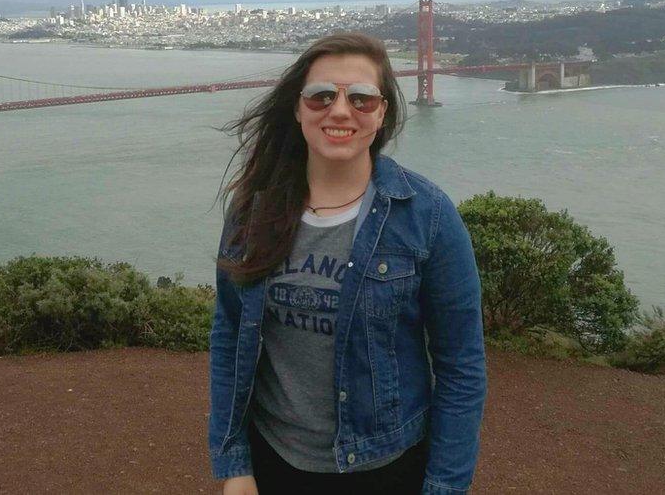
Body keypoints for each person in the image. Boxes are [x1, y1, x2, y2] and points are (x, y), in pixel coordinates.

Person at [208, 32, 486, 495]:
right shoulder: (251, 211)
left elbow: (462, 367)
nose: (339, 111)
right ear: (297, 109)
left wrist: (445, 488)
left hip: (388, 469)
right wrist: (235, 464)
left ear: (382, 113)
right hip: (274, 460)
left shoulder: (429, 217)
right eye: (321, 96)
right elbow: (228, 335)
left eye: (360, 98)